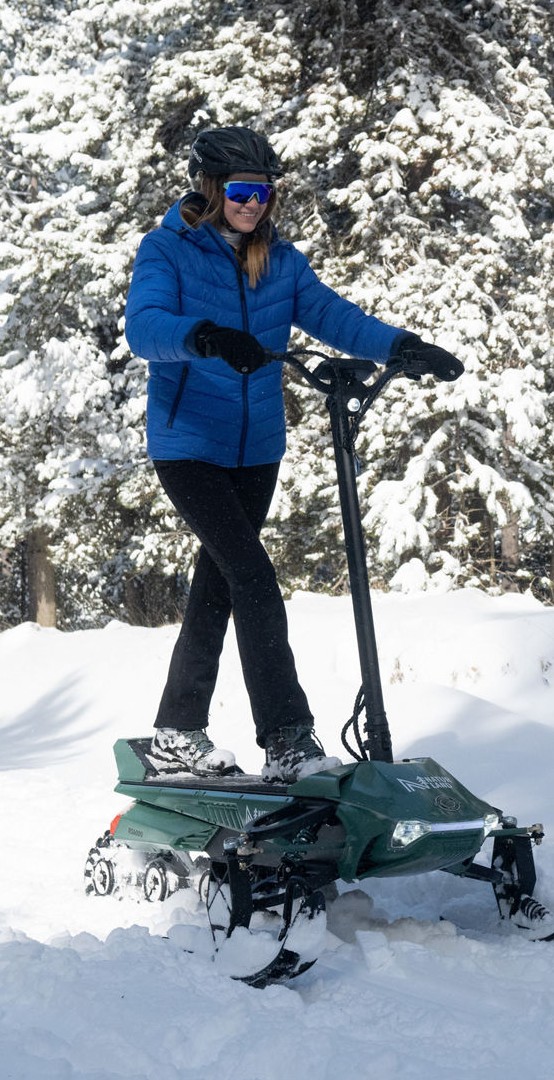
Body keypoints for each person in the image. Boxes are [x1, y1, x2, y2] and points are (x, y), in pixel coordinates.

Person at [124, 126, 463, 782]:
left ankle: (176, 731)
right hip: (188, 443)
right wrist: (206, 336)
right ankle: (285, 735)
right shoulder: (167, 250)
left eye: (264, 192)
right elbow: (144, 328)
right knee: (250, 574)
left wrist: (400, 346)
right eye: (241, 191)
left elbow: (333, 317)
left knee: (220, 580)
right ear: (212, 189)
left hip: (256, 451)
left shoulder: (279, 261)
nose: (253, 204)